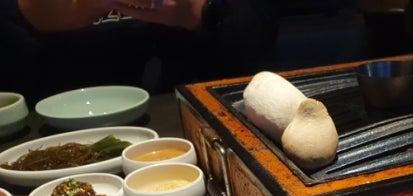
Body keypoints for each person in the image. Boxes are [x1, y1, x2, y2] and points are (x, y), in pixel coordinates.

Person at [1, 0, 278, 104]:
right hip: (47, 122)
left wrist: (200, 13)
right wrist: (28, 14)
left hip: (190, 118)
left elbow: (257, 38)